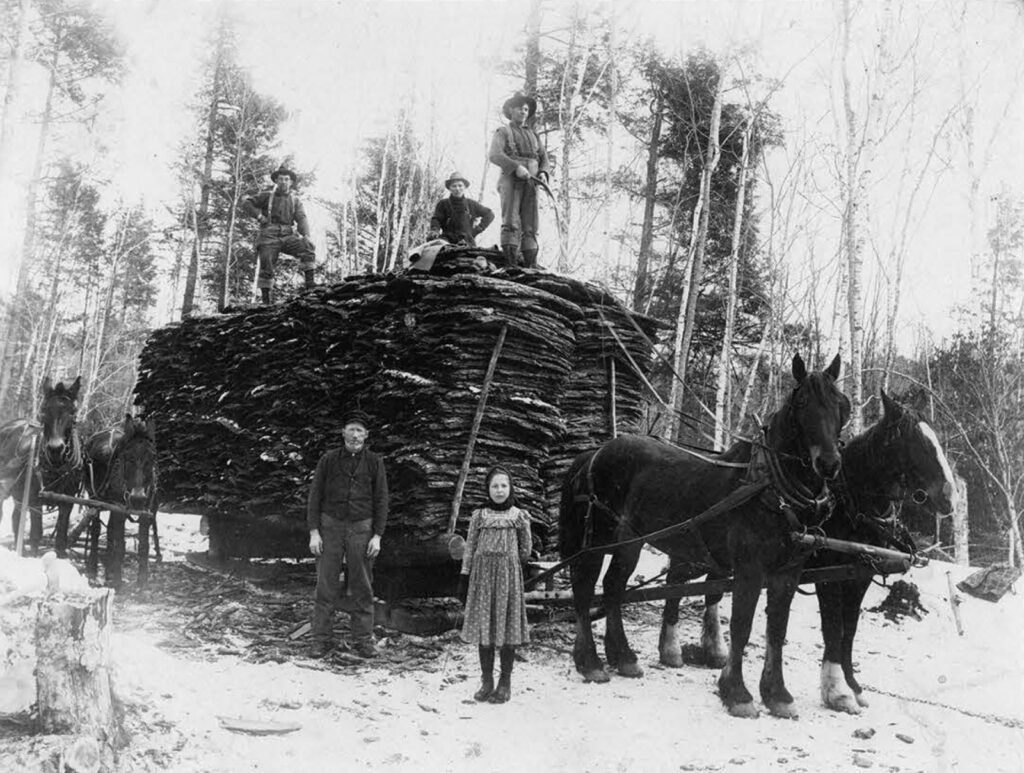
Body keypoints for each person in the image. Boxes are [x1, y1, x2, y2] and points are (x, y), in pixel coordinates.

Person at [307, 409, 389, 659]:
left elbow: (382, 500)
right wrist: (314, 532)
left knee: (362, 586)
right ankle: (321, 640)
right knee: (326, 585)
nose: (355, 435)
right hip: (330, 528)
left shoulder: (375, 462)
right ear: (343, 432)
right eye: (351, 429)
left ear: (367, 435)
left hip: (361, 530)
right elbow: (315, 496)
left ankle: (363, 641)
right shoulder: (329, 460)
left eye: (360, 430)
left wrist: (377, 536)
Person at [457, 466, 532, 703]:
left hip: (507, 578)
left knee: (507, 629)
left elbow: (525, 550)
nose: (499, 490)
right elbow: (469, 547)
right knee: (485, 630)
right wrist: (465, 573)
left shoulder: (519, 516)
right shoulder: (479, 516)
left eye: (503, 486)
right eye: (494, 486)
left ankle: (505, 682)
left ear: (510, 488)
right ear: (487, 489)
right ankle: (487, 680)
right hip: (482, 578)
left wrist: (509, 566)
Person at [488, 92, 551, 268]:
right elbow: (494, 154)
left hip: (532, 181)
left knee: (531, 223)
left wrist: (544, 172)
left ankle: (531, 264)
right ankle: (511, 263)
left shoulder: (534, 135)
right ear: (510, 110)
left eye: (526, 109)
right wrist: (516, 167)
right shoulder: (503, 132)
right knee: (511, 220)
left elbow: (544, 158)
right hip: (510, 179)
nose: (523, 112)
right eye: (519, 109)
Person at [241, 165, 316, 304]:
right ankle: (266, 301)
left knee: (307, 246)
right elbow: (247, 203)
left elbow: (302, 218)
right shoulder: (266, 196)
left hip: (288, 234)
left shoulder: (295, 200)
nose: (283, 182)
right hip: (269, 234)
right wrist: (259, 216)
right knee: (266, 261)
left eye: (287, 179)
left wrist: (306, 235)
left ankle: (310, 287)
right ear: (276, 181)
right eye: (280, 179)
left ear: (291, 182)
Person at [428, 172, 494, 247]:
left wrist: (477, 230)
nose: (457, 189)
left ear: (464, 187)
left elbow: (489, 214)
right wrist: (435, 230)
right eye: (454, 186)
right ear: (449, 188)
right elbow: (436, 219)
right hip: (447, 241)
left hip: (467, 242)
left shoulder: (471, 204)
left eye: (460, 185)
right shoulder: (443, 204)